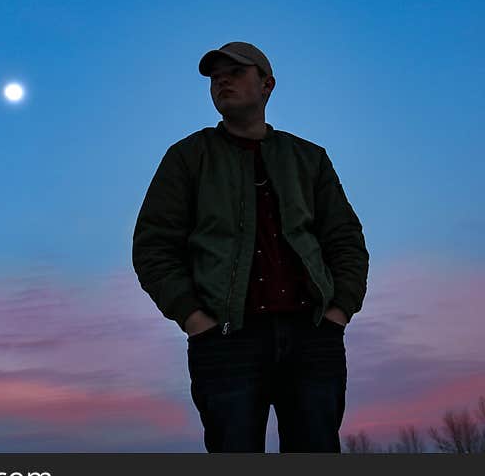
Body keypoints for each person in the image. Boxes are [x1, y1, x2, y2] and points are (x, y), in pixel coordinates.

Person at [132, 41, 369, 452]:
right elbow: (153, 247)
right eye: (214, 76)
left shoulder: (309, 159)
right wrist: (194, 319)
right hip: (227, 341)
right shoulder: (188, 158)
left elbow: (345, 240)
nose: (222, 80)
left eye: (236, 72)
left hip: (312, 337)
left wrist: (338, 312)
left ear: (267, 84)